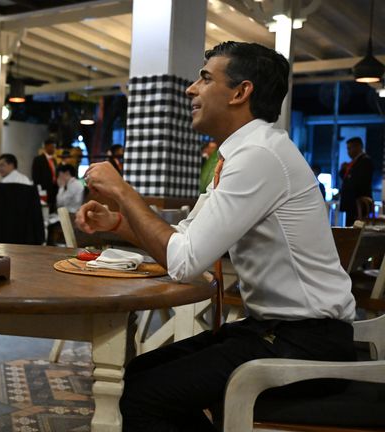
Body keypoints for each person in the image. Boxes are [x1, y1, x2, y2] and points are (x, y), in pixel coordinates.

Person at [77, 41, 355, 431]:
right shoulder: (244, 154)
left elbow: (184, 262)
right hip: (277, 331)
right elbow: (186, 239)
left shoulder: (260, 155)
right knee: (138, 374)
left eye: (205, 78)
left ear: (241, 92)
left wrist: (124, 192)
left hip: (307, 343)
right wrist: (120, 224)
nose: (191, 89)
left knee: (146, 395)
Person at [338, 136, 374, 225]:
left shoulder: (365, 161)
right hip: (350, 203)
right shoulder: (353, 162)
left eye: (350, 148)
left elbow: (360, 182)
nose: (348, 151)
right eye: (347, 149)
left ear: (358, 147)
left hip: (357, 203)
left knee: (355, 230)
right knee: (349, 228)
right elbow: (347, 179)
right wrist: (343, 170)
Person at [31, 138, 58, 213]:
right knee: (44, 209)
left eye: (54, 147)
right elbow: (35, 175)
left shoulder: (54, 160)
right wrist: (39, 188)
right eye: (52, 147)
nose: (54, 149)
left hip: (53, 188)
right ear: (46, 147)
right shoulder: (38, 159)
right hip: (43, 188)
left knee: (52, 208)